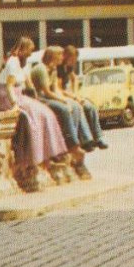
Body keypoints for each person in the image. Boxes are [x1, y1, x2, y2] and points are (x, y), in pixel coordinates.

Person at [0, 38, 70, 189]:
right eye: (29, 50)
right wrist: (14, 104)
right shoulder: (12, 62)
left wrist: (36, 99)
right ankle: (35, 158)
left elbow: (28, 83)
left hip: (20, 95)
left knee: (47, 113)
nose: (31, 53)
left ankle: (49, 154)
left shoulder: (21, 63)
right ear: (23, 49)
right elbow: (9, 86)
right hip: (9, 96)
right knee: (34, 118)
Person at [33, 48, 92, 178]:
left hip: (49, 97)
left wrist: (68, 100)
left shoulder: (53, 70)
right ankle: (73, 145)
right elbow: (47, 92)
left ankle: (78, 139)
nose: (62, 58)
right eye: (60, 56)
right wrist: (63, 102)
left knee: (75, 107)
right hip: (40, 98)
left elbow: (56, 89)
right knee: (64, 109)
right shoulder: (41, 69)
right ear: (53, 57)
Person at [54, 47, 107, 150]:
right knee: (80, 107)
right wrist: (74, 97)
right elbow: (59, 89)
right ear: (66, 56)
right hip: (63, 95)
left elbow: (75, 79)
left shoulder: (68, 67)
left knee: (91, 106)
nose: (74, 62)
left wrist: (75, 93)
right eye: (72, 59)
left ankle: (98, 137)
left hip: (69, 94)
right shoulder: (59, 69)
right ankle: (86, 139)